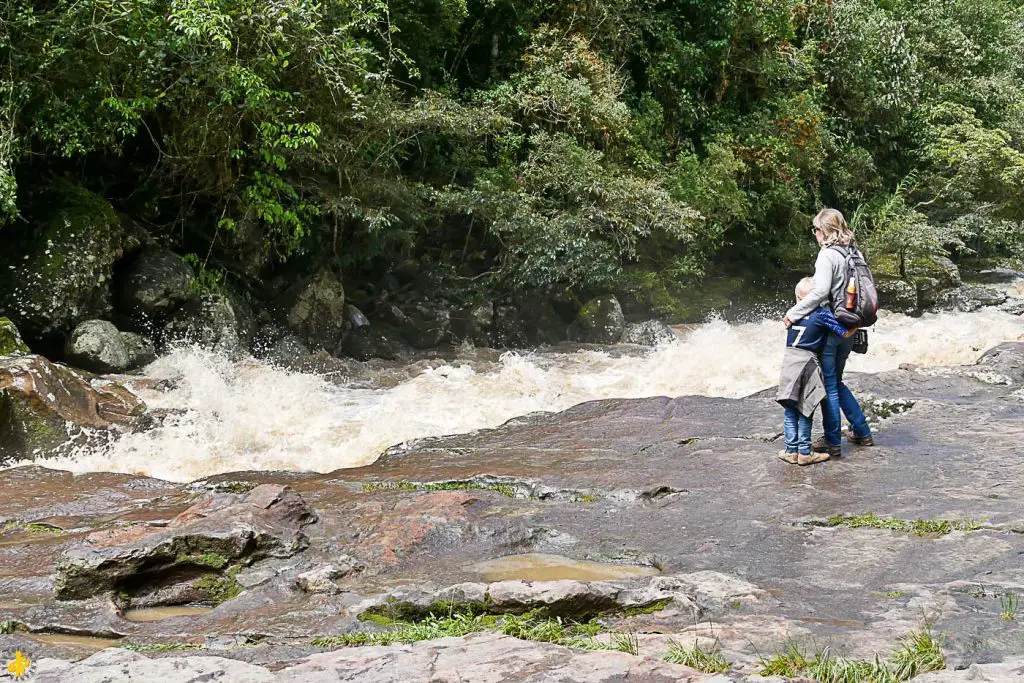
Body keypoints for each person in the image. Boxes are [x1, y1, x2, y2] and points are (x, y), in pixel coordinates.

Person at [783, 208, 873, 457]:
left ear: (823, 231)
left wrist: (793, 313)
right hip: (850, 326)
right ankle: (861, 430)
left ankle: (833, 441)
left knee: (830, 386)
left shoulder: (827, 255)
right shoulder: (854, 252)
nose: (815, 234)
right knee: (836, 382)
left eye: (815, 229)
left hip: (832, 327)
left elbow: (820, 292)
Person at [777, 277, 853, 465]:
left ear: (797, 297)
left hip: (789, 361)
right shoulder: (820, 313)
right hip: (807, 363)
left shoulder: (792, 313)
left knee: (790, 409)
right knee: (805, 408)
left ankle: (790, 451)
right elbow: (843, 332)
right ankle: (805, 452)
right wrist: (857, 326)